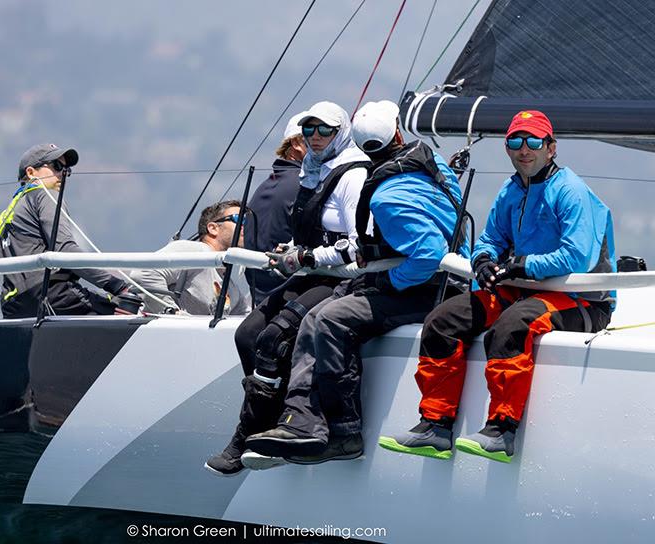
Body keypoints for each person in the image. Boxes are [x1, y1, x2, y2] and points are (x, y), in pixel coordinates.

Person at [381, 110, 615, 463]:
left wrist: (522, 265)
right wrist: (483, 261)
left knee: (511, 326)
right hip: (525, 291)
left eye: (533, 141)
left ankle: (502, 431)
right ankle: (435, 426)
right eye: (515, 142)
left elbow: (575, 258)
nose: (524, 149)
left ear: (551, 148)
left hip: (580, 300)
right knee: (442, 320)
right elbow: (489, 239)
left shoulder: (571, 191)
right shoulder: (511, 190)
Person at [244, 100, 467, 465]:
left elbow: (427, 256)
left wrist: (388, 278)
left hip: (424, 287)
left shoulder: (387, 197)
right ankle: (302, 421)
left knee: (332, 319)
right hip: (442, 282)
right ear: (398, 131)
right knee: (315, 315)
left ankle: (344, 432)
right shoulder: (434, 163)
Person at [204, 101, 370, 476]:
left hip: (343, 277)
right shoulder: (311, 172)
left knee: (276, 335)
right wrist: (294, 253)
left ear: (341, 132)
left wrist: (309, 257)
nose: (314, 138)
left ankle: (257, 431)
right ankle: (270, 425)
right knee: (248, 334)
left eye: (324, 130)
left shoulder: (353, 176)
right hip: (312, 272)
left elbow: (358, 246)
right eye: (308, 130)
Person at [0, 143, 130, 318]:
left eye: (66, 170)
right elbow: (65, 250)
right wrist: (116, 285)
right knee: (127, 313)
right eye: (56, 166)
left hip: (12, 306)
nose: (62, 174)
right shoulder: (46, 195)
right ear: (31, 173)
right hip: (51, 295)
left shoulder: (8, 213)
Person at [128, 200, 251, 315]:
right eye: (239, 219)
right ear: (213, 228)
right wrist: (173, 315)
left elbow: (245, 319)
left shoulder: (232, 289)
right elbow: (143, 273)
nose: (245, 226)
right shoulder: (195, 251)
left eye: (248, 222)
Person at [244, 111, 307, 305]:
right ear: (295, 144)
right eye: (311, 135)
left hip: (262, 297)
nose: (321, 141)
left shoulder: (269, 184)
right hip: (291, 295)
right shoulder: (303, 184)